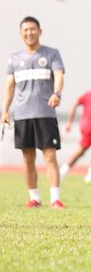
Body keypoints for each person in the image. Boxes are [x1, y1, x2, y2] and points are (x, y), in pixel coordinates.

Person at [2, 16, 66, 209]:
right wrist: (5, 110)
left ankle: (55, 199)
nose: (29, 33)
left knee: (49, 156)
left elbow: (59, 75)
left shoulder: (52, 54)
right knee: (28, 158)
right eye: (25, 30)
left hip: (45, 113)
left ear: (40, 31)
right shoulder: (14, 58)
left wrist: (57, 93)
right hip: (22, 115)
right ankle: (34, 198)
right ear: (21, 33)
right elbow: (9, 87)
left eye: (32, 29)